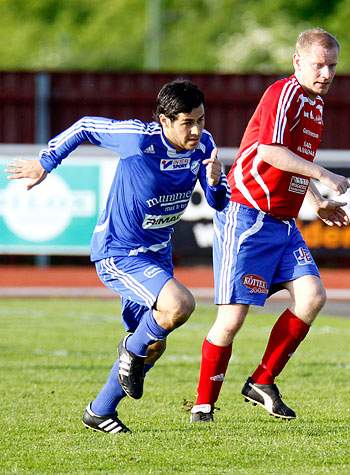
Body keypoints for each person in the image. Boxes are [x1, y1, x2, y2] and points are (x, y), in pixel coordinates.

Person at [5, 79, 231, 433]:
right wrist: (46, 163)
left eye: (201, 120)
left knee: (152, 345)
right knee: (179, 305)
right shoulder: (139, 139)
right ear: (164, 120)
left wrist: (216, 182)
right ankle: (130, 348)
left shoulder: (205, 146)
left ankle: (100, 411)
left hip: (158, 255)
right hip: (120, 252)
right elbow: (84, 127)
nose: (197, 130)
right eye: (188, 122)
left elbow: (219, 203)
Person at [190, 28, 350, 423]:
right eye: (318, 65)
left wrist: (314, 202)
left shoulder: (315, 104)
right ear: (298, 62)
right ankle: (203, 405)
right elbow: (269, 151)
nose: (326, 73)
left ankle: (262, 381)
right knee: (232, 319)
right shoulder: (285, 93)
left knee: (312, 297)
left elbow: (290, 165)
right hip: (247, 215)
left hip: (282, 221)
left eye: (332, 65)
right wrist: (325, 175)